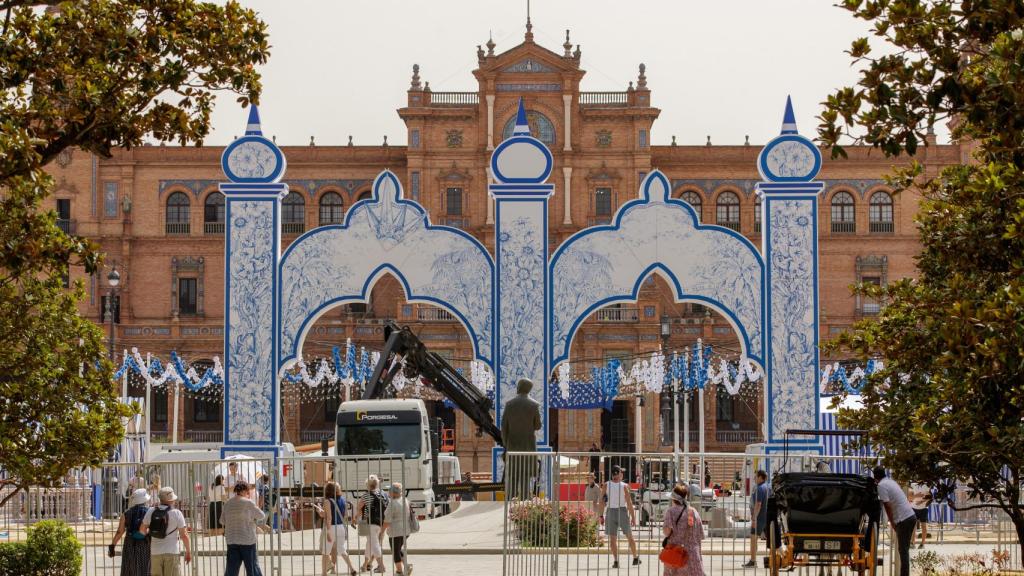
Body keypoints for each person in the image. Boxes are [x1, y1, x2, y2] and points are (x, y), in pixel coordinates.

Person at [501, 378, 542, 500]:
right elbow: (538, 425)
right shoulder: (534, 405)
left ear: (520, 387)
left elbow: (504, 428)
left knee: (512, 476)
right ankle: (523, 509)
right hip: (528, 448)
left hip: (512, 447)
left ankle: (510, 506)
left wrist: (506, 445)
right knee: (525, 476)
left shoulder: (509, 404)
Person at [873, 466, 917, 576]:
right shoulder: (890, 482)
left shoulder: (881, 486)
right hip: (910, 516)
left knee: (903, 551)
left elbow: (887, 506)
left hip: (904, 519)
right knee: (904, 549)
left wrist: (892, 522)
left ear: (875, 477)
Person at [141, 486, 191, 576]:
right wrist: (188, 551)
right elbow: (184, 535)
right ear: (171, 500)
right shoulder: (177, 513)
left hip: (155, 551)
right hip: (171, 551)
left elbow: (142, 530)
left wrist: (151, 534)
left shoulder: (151, 511)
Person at [222, 481, 267, 576]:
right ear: (245, 491)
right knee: (252, 568)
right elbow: (261, 515)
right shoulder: (248, 503)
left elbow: (222, 521)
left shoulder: (228, 503)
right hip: (247, 540)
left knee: (231, 569)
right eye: (248, 491)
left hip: (232, 539)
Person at [601, 465, 640, 569]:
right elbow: (629, 503)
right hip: (621, 511)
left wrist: (601, 515)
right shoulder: (624, 486)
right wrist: (633, 517)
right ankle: (635, 557)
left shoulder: (606, 485)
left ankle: (616, 560)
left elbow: (601, 501)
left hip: (610, 511)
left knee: (612, 539)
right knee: (629, 536)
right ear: (620, 474)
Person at [662, 485, 704, 576]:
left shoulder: (671, 511)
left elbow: (667, 531)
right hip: (693, 555)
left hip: (676, 554)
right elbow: (700, 534)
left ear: (673, 499)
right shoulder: (693, 511)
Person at [316, 481, 356, 576]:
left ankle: (324, 573)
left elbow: (328, 518)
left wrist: (328, 531)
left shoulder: (327, 501)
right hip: (341, 527)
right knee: (342, 550)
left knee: (326, 552)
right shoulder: (343, 500)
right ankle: (352, 568)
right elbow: (346, 515)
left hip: (332, 527)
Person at [108, 488, 151, 576]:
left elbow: (120, 532)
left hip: (130, 544)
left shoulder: (126, 513)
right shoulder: (149, 512)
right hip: (145, 544)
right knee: (145, 569)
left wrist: (112, 546)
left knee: (129, 569)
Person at [355, 475, 387, 573]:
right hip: (381, 522)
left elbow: (359, 508)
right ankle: (365, 565)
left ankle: (381, 566)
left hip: (371, 523)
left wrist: (355, 517)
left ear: (367, 485)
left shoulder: (366, 495)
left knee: (374, 545)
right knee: (369, 544)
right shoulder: (383, 494)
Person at [383, 483, 413, 576]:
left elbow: (387, 520)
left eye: (390, 491)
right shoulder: (405, 500)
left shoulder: (392, 503)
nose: (388, 492)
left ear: (394, 493)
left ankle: (399, 571)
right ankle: (407, 566)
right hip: (405, 530)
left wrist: (381, 531)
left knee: (395, 552)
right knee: (398, 549)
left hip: (396, 531)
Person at [743, 470, 769, 568]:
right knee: (770, 540)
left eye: (755, 476)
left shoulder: (760, 488)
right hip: (765, 517)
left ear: (760, 477)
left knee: (753, 539)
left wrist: (754, 519)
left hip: (759, 518)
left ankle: (753, 561)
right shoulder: (766, 487)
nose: (754, 478)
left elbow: (758, 504)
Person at [909, 483, 931, 549]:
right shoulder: (912, 485)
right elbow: (909, 497)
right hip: (914, 508)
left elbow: (929, 497)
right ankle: (912, 542)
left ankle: (922, 544)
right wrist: (917, 495)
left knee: (924, 526)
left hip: (924, 508)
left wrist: (921, 501)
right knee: (913, 526)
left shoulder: (926, 485)